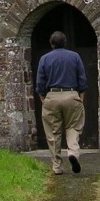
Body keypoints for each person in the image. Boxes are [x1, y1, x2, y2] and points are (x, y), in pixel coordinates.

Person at [36, 30, 88, 175]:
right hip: (72, 94)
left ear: (51, 43)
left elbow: (40, 81)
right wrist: (81, 95)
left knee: (53, 133)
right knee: (73, 127)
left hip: (51, 96)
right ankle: (72, 153)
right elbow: (82, 79)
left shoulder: (44, 59)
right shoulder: (75, 56)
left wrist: (42, 97)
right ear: (65, 42)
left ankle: (57, 166)